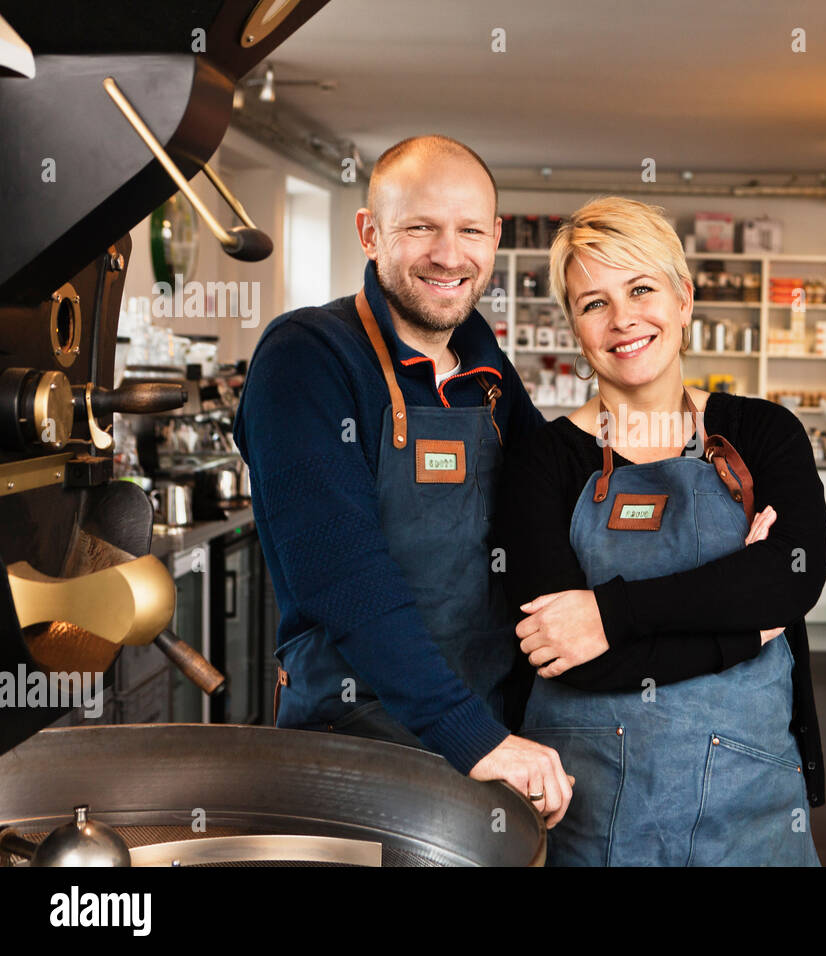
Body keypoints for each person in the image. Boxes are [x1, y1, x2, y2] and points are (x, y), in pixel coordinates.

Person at [234, 135, 573, 826]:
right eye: (420, 227)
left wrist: (706, 502)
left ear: (496, 238)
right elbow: (343, 573)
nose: (449, 255)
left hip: (484, 731)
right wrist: (474, 739)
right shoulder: (307, 356)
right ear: (370, 233)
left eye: (470, 230)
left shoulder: (487, 372)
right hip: (356, 746)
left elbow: (559, 492)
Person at [498, 196, 826, 865]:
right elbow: (560, 648)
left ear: (683, 299)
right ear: (574, 326)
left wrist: (609, 613)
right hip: (587, 804)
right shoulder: (542, 458)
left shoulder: (762, 432)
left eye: (641, 289)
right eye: (593, 303)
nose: (623, 319)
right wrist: (741, 627)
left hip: (752, 803)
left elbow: (790, 576)